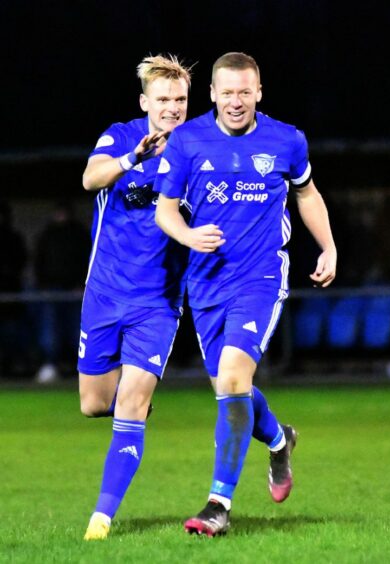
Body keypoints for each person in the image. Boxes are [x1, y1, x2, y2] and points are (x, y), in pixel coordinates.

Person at [154, 52, 337, 537]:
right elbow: (165, 210)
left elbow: (307, 193)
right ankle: (279, 440)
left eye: (245, 92)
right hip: (206, 282)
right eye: (227, 92)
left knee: (233, 377)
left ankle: (218, 504)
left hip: (260, 278)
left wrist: (329, 247)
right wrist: (189, 237)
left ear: (259, 92)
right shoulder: (188, 140)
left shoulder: (287, 140)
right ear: (213, 94)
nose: (236, 102)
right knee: (229, 388)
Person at [80, 55, 193, 541]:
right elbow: (90, 178)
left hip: (158, 302)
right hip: (103, 293)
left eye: (180, 100)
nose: (172, 108)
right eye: (163, 100)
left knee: (128, 406)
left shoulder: (201, 151)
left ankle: (100, 520)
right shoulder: (122, 135)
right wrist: (135, 160)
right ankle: (134, 402)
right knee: (92, 404)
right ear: (145, 102)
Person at [33, 200, 91, 383]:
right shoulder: (47, 234)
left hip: (75, 291)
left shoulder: (79, 234)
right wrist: (42, 285)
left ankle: (80, 367)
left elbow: (88, 259)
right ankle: (51, 364)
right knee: (49, 331)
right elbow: (39, 261)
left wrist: (82, 284)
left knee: (77, 330)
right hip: (51, 290)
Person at [0, 200, 28, 375]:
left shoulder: (15, 238)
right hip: (9, 291)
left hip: (12, 293)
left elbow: (22, 260)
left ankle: (11, 366)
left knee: (12, 333)